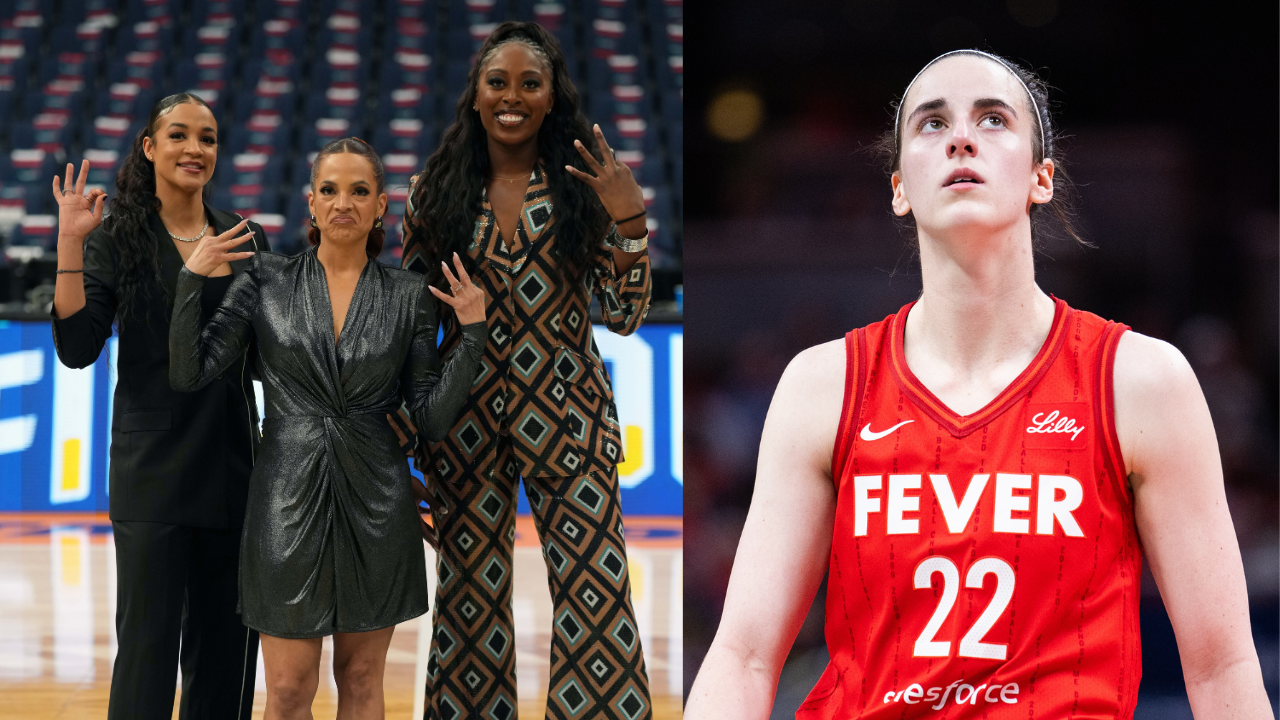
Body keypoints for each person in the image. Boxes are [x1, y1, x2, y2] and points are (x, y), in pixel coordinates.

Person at [686, 50, 1272, 719]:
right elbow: (743, 656)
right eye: (931, 124)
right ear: (900, 186)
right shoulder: (822, 386)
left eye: (993, 119)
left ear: (1041, 178)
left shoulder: (1140, 381)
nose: (961, 136)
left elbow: (1222, 666)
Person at [167, 137, 486, 719]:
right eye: (331, 190)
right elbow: (189, 374)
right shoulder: (264, 278)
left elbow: (433, 419)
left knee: (361, 680)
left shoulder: (410, 295)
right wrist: (191, 281)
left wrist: (472, 335)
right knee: (288, 689)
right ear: (310, 204)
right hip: (284, 498)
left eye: (359, 191)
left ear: (380, 206)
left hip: (377, 501)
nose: (344, 203)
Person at [398, 21, 654, 720]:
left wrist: (630, 225)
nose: (513, 96)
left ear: (550, 99)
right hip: (464, 420)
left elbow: (624, 315)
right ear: (476, 98)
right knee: (469, 596)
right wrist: (408, 431)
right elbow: (414, 325)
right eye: (498, 82)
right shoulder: (433, 194)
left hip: (571, 418)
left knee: (595, 591)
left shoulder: (587, 189)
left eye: (529, 84)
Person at [50, 92, 267, 720]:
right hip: (152, 475)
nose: (194, 148)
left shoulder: (243, 236)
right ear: (150, 147)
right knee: (146, 653)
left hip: (232, 467)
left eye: (207, 137)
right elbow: (78, 345)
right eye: (178, 135)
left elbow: (270, 348)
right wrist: (70, 243)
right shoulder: (116, 236)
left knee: (226, 658)